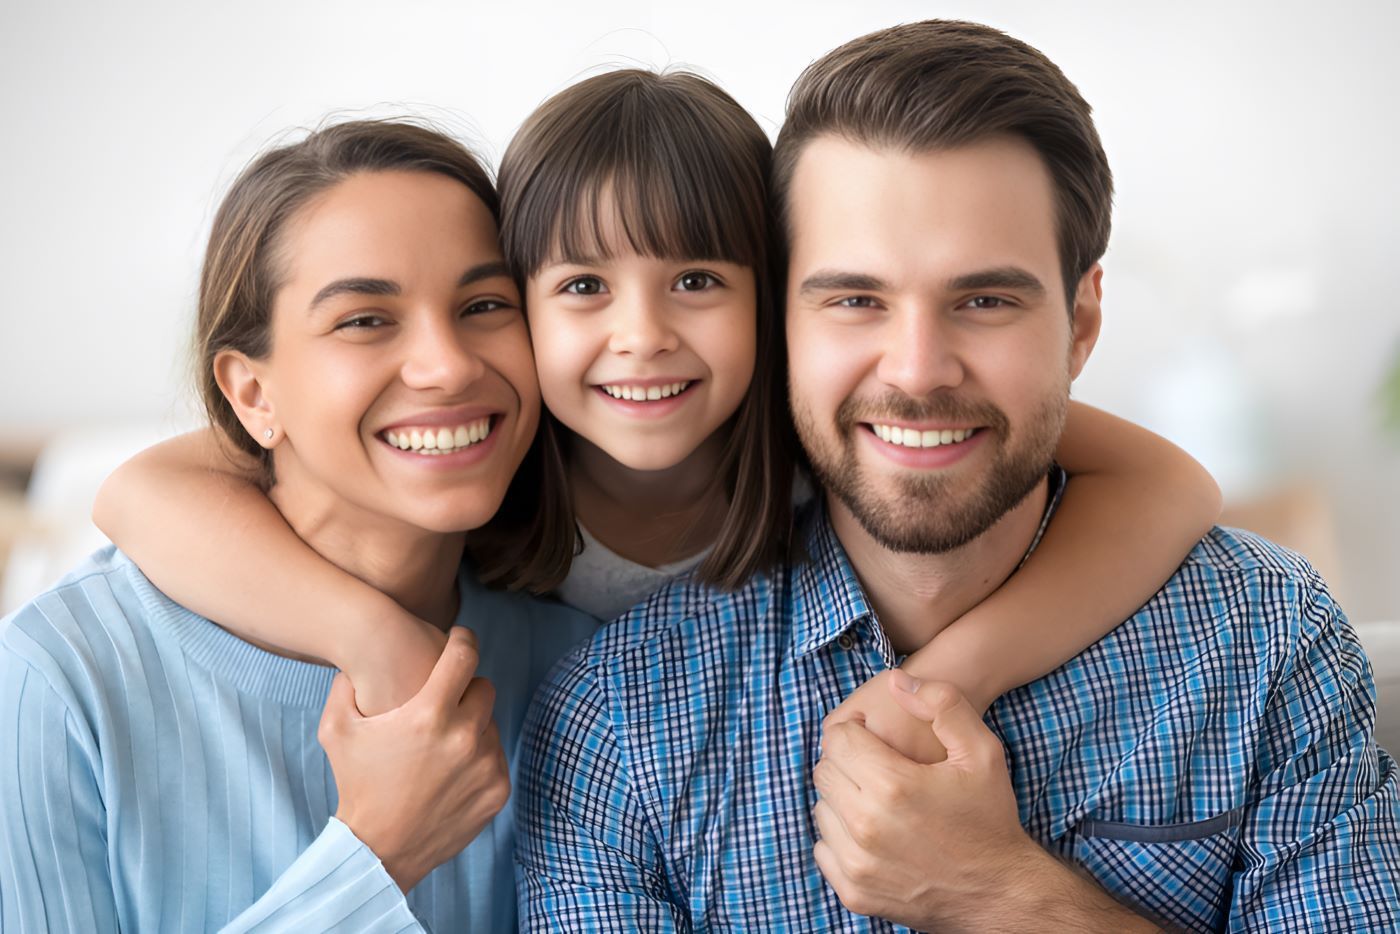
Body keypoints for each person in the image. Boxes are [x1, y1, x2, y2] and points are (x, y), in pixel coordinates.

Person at [516, 21, 1400, 932]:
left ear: (1082, 322)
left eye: (984, 300)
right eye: (856, 300)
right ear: (785, 323)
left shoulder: (1266, 645)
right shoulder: (621, 718)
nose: (916, 370)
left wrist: (1002, 894)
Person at [93, 71, 1219, 765]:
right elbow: (138, 490)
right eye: (580, 287)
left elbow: (1171, 486)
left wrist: (950, 677)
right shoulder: (485, 465)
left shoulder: (838, 431)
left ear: (779, 301)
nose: (640, 338)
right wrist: (373, 635)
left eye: (695, 280)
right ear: (517, 306)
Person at [0, 120, 596, 932]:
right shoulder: (59, 681)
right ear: (252, 395)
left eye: (484, 304)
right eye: (364, 320)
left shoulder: (585, 670)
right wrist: (378, 854)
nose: (450, 364)